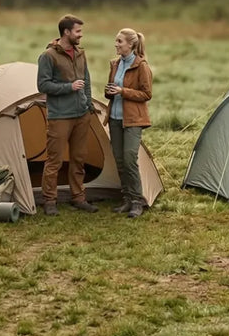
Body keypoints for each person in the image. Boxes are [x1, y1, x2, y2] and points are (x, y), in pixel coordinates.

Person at [37, 14, 97, 216]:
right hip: (60, 116)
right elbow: (43, 85)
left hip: (82, 115)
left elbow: (86, 81)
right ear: (66, 32)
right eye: (78, 31)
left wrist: (88, 104)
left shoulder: (81, 54)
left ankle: (78, 197)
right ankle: (49, 200)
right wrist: (68, 87)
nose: (81, 35)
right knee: (54, 160)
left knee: (79, 158)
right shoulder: (48, 56)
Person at [105, 27, 152, 219]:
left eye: (119, 42)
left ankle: (137, 201)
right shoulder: (115, 64)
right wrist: (109, 91)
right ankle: (126, 199)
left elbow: (146, 94)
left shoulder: (141, 66)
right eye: (116, 41)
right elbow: (112, 90)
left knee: (130, 159)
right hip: (115, 119)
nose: (116, 45)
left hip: (133, 120)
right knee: (119, 160)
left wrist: (123, 91)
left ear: (130, 44)